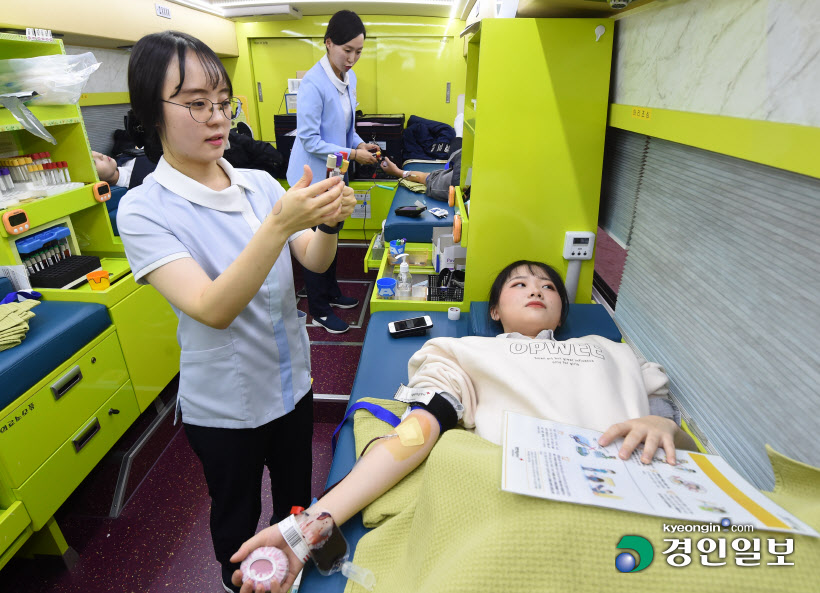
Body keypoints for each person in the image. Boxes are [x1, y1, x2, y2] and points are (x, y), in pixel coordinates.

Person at [229, 260, 696, 593]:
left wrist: (659, 422)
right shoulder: (468, 352)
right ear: (494, 310)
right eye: (519, 284)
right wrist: (309, 526)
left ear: (562, 308)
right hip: (525, 499)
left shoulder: (612, 348)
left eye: (548, 286)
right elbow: (417, 430)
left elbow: (668, 419)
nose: (536, 289)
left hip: (634, 491)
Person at [115, 30, 356, 593]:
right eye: (196, 103)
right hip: (224, 409)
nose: (216, 117)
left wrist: (326, 221)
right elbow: (211, 307)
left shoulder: (255, 183)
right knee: (236, 516)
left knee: (297, 501)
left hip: (292, 386)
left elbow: (313, 259)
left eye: (223, 102)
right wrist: (279, 224)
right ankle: (239, 584)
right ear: (154, 109)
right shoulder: (146, 208)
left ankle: (296, 574)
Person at [286, 10, 381, 334]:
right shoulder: (314, 83)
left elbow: (345, 127)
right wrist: (353, 153)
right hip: (312, 177)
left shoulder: (349, 77)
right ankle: (320, 308)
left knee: (332, 232)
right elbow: (311, 140)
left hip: (335, 173)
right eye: (347, 50)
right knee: (317, 239)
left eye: (358, 51)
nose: (353, 58)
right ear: (328, 43)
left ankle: (333, 291)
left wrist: (361, 145)